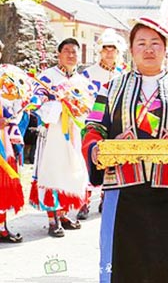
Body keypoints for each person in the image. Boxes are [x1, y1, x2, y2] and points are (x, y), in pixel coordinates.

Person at [82, 16, 168, 282]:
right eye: (141, 43)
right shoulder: (111, 88)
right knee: (123, 266)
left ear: (165, 49)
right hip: (123, 193)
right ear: (131, 50)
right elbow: (92, 128)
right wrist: (96, 149)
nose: (149, 49)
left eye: (156, 43)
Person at [29, 38, 93, 237]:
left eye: (74, 52)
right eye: (67, 51)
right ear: (59, 53)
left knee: (70, 171)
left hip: (73, 133)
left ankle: (64, 213)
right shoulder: (47, 77)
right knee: (52, 172)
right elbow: (35, 103)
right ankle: (52, 219)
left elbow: (88, 106)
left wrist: (77, 107)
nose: (71, 55)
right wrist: (58, 104)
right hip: (53, 133)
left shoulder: (81, 81)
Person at [80, 28, 127, 218]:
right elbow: (81, 98)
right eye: (106, 48)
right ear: (100, 51)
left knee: (110, 161)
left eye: (113, 49)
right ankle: (83, 202)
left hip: (115, 124)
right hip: (92, 123)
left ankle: (105, 197)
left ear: (118, 52)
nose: (109, 52)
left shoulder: (124, 74)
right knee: (88, 160)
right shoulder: (88, 74)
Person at [0, 39, 27, 243]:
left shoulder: (7, 78)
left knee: (3, 185)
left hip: (3, 140)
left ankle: (2, 227)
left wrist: (12, 116)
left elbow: (14, 107)